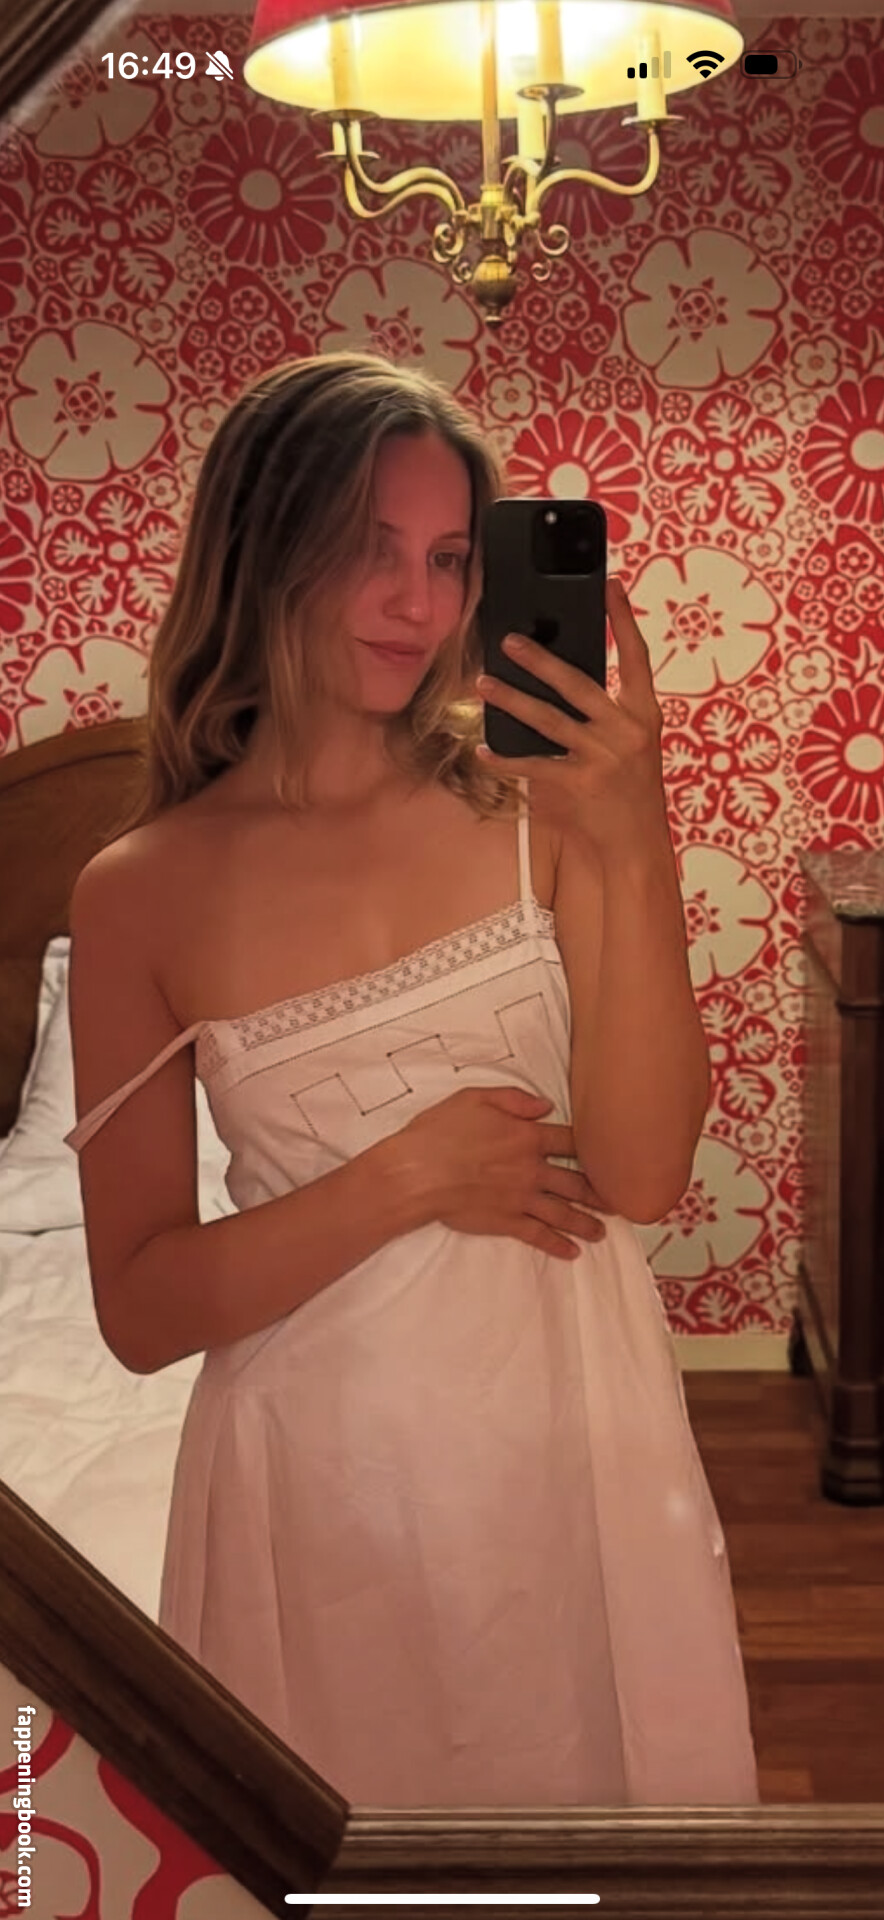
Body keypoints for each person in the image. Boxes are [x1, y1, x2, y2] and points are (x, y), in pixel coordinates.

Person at [64, 350, 759, 1808]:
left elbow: (641, 1177)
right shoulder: (140, 891)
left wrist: (634, 829)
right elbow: (138, 1311)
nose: (418, 605)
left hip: (569, 1430)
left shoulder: (540, 810)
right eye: (367, 547)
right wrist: (404, 1179)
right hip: (315, 1482)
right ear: (260, 547)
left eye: (450, 560)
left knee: (586, 1828)